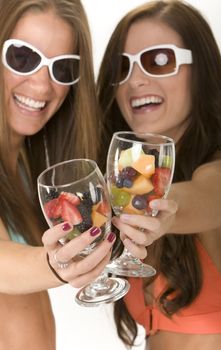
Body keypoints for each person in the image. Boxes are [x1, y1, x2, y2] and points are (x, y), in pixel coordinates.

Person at [97, 0, 221, 349]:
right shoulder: (127, 181)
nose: (136, 80)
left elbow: (205, 199)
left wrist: (164, 212)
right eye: (122, 67)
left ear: (200, 71)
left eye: (159, 60)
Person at [0, 0, 116, 349]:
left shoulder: (23, 164)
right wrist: (54, 264)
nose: (42, 85)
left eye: (62, 68)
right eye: (23, 57)